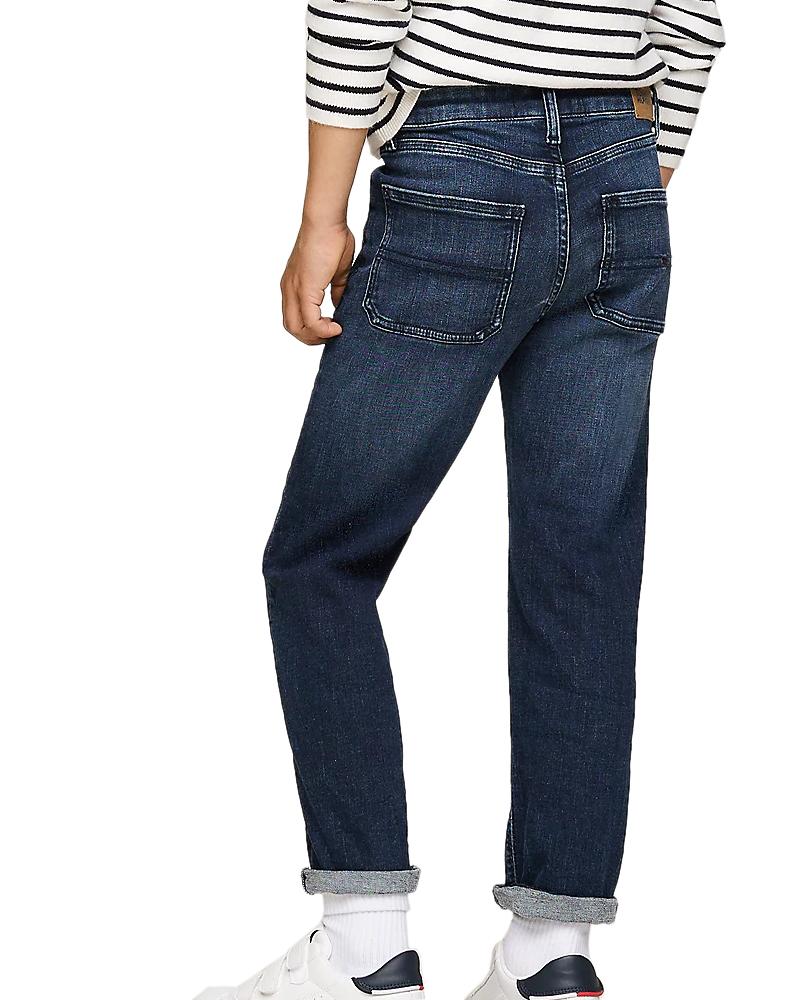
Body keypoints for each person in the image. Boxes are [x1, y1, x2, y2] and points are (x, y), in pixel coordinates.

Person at [196, 3, 724, 998]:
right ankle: (550, 951)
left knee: (323, 558)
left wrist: (321, 215)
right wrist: (626, 177)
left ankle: (363, 948)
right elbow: (690, 17)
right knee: (582, 575)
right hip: (620, 165)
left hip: (461, 164)